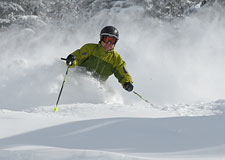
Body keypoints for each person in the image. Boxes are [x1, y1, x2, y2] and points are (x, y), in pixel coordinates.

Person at [65, 26, 134, 92]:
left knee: (108, 93)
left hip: (96, 89)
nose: (108, 43)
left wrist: (127, 82)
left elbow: (123, 72)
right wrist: (72, 60)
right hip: (77, 81)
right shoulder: (90, 48)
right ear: (101, 39)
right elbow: (77, 57)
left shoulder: (116, 59)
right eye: (106, 39)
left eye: (112, 41)